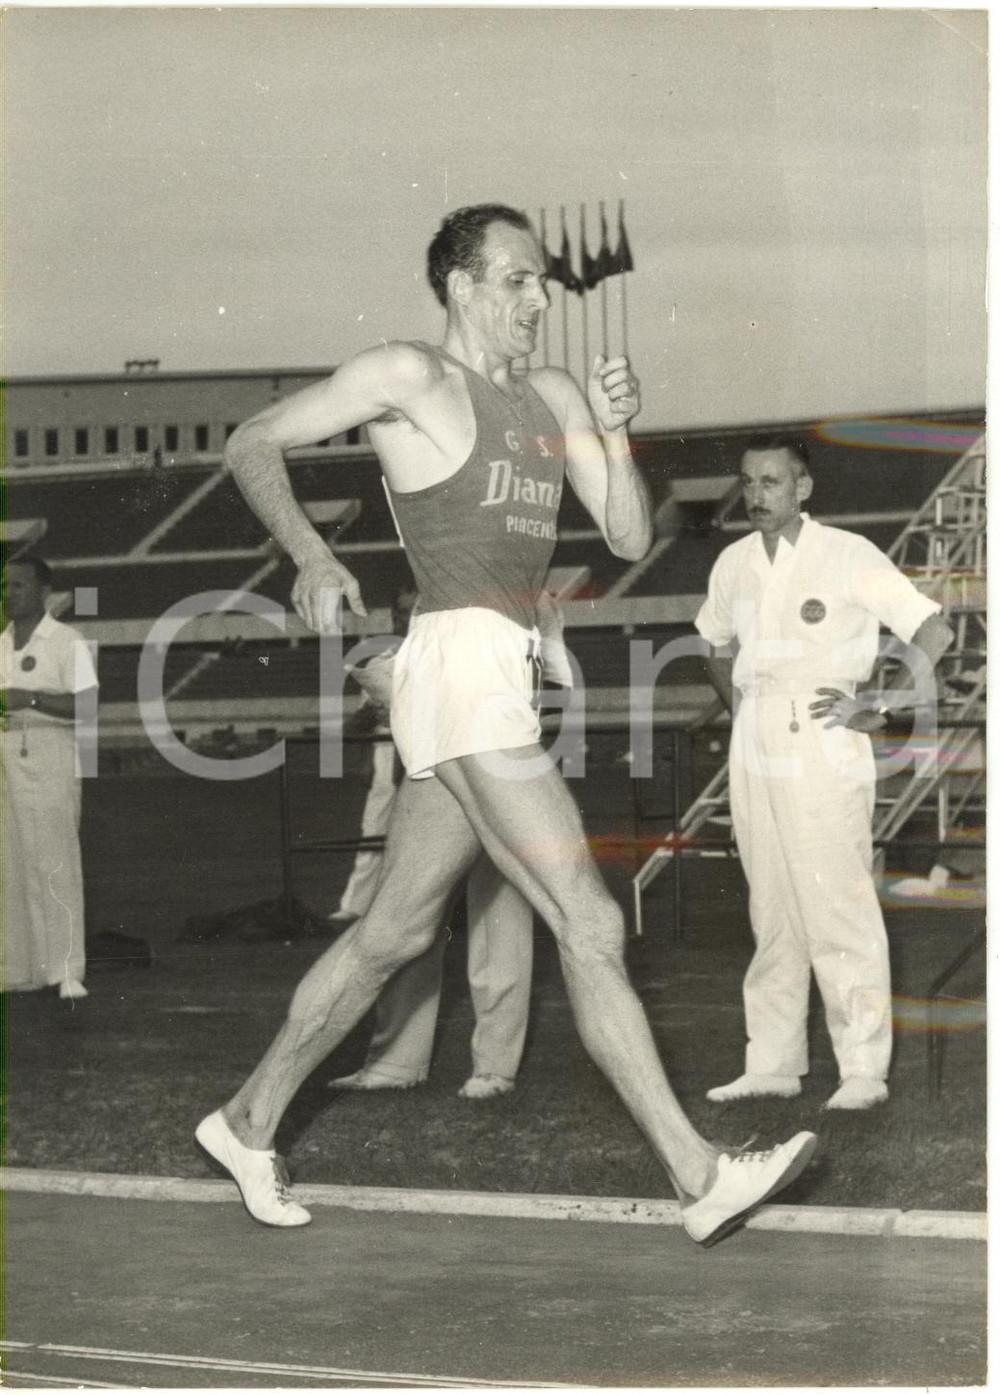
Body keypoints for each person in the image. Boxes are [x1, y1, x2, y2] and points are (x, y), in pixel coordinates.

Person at [196, 203, 817, 1245]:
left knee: (392, 933)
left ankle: (247, 1120)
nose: (539, 301)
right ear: (460, 285)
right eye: (519, 280)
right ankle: (700, 1174)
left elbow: (623, 533)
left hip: (497, 672)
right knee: (585, 918)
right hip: (457, 661)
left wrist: (616, 430)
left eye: (542, 284)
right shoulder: (408, 378)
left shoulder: (552, 395)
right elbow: (251, 439)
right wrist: (309, 552)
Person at [695, 437, 954, 1110]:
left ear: (803, 487)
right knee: (771, 903)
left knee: (835, 901)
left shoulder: (847, 554)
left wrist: (883, 703)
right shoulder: (733, 562)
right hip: (757, 735)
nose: (758, 494)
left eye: (772, 481)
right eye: (749, 482)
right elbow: (716, 645)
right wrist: (745, 707)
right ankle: (774, 1060)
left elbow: (934, 630)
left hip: (824, 730)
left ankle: (863, 1067)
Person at [330, 593, 535, 1099]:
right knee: (406, 922)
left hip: (499, 781)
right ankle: (395, 1060)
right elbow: (374, 689)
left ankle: (494, 1066)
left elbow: (544, 697)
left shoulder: (511, 622)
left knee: (500, 925)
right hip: (428, 787)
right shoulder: (400, 652)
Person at [1, 554, 98, 999]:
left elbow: (86, 706)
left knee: (53, 859)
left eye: (18, 585)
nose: (8, 594)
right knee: (10, 863)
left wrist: (31, 700)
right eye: (5, 585)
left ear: (43, 591)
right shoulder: (0, 644)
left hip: (49, 751)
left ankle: (65, 970)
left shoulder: (66, 641)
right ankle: (18, 967)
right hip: (4, 753)